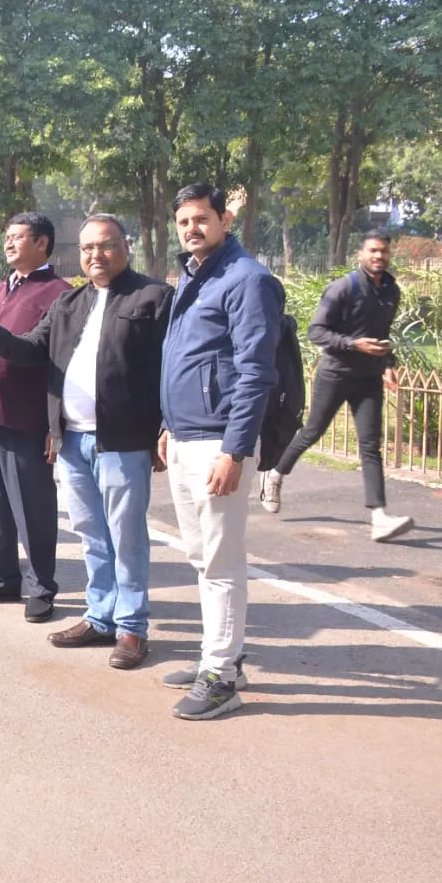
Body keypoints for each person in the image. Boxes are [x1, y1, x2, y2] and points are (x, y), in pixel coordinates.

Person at [0, 216, 172, 669]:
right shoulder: (69, 304)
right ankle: (100, 616)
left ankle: (132, 627)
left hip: (121, 441)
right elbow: (31, 351)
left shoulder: (153, 298)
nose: (95, 256)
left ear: (126, 246)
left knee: (126, 537)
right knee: (92, 535)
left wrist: (164, 428)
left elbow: (167, 370)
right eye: (86, 249)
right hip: (73, 441)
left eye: (105, 246)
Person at [158, 183, 283, 719]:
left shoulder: (248, 280)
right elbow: (182, 359)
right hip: (185, 436)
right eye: (184, 220)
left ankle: (222, 676)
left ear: (225, 220)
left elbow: (256, 371)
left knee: (222, 561)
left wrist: (235, 451)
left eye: (201, 218)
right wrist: (168, 423)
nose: (192, 228)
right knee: (198, 557)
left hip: (219, 442)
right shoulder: (193, 275)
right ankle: (220, 655)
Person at [262, 229, 413, 541]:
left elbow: (380, 332)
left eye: (383, 251)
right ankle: (275, 475)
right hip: (335, 374)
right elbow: (316, 332)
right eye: (373, 251)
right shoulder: (344, 287)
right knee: (312, 432)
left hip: (369, 379)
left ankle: (379, 516)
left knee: (371, 444)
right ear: (360, 254)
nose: (378, 256)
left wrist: (388, 364)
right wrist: (354, 344)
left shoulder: (391, 290)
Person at [0, 213, 69, 622]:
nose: (8, 243)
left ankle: (41, 586)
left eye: (17, 237)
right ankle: (1, 577)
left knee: (32, 507)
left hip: (25, 417)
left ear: (42, 243)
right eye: (6, 236)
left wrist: (54, 424)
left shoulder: (58, 293)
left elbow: (47, 356)